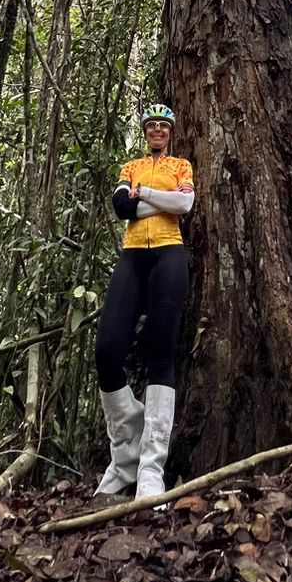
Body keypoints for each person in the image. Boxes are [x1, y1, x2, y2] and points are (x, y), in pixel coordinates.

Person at [93, 103, 194, 502]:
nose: (156, 131)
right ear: (145, 132)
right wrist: (159, 200)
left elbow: (184, 206)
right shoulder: (131, 165)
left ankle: (151, 470)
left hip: (170, 252)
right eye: (151, 126)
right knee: (107, 350)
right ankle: (125, 456)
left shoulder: (181, 166)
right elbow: (121, 207)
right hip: (133, 255)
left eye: (162, 126)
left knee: (160, 351)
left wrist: (146, 197)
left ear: (170, 132)